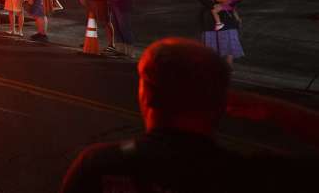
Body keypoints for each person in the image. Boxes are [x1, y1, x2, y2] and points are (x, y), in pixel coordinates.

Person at [59, 38, 315, 192]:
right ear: (221, 101)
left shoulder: (99, 165)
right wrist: (273, 108)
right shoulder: (252, 176)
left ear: (145, 95)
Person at [198, 0, 244, 65]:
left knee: (228, 46)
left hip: (227, 20)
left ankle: (227, 67)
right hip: (211, 23)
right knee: (212, 47)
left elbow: (233, 3)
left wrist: (236, 17)